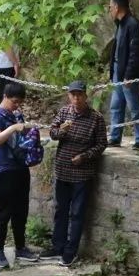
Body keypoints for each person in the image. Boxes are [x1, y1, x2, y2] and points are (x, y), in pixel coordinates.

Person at [40, 81, 108, 265]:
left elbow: (102, 144)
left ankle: (71, 251)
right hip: (62, 170)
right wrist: (62, 130)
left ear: (86, 96)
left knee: (77, 213)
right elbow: (52, 134)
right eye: (73, 95)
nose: (76, 98)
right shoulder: (64, 112)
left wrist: (84, 156)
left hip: (82, 173)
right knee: (60, 210)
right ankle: (57, 246)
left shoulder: (96, 118)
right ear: (69, 96)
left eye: (79, 95)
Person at [0, 82, 39, 269]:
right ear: (6, 97)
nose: (17, 106)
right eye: (15, 102)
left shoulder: (15, 114)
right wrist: (12, 129)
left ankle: (21, 246)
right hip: (6, 169)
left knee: (21, 210)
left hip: (21, 167)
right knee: (5, 211)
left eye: (19, 103)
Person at [108, 0, 139, 150]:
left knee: (134, 106)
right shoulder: (120, 24)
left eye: (110, 7)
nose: (109, 10)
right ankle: (115, 137)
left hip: (129, 73)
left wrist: (129, 75)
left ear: (117, 7)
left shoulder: (133, 24)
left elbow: (135, 52)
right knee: (116, 105)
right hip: (118, 70)